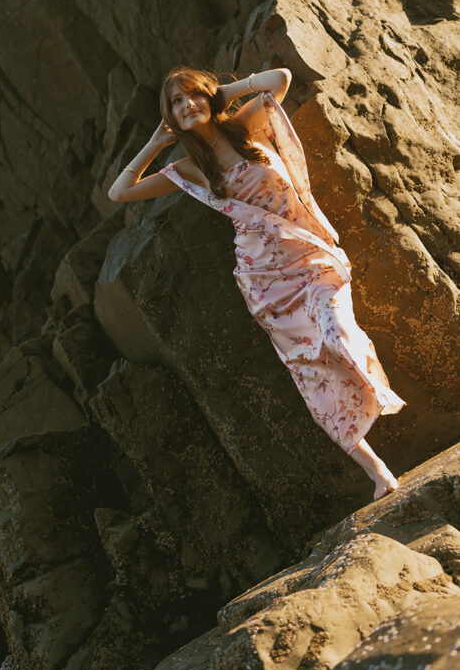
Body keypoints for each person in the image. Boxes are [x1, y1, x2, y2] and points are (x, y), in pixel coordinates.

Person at [108, 66, 405, 501]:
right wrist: (157, 142)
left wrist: (217, 95)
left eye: (192, 96)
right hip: (265, 279)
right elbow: (120, 191)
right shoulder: (189, 168)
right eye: (175, 102)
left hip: (309, 255)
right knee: (308, 371)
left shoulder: (246, 125)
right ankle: (377, 472)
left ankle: (376, 397)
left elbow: (279, 78)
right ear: (167, 115)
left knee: (338, 332)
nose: (186, 105)